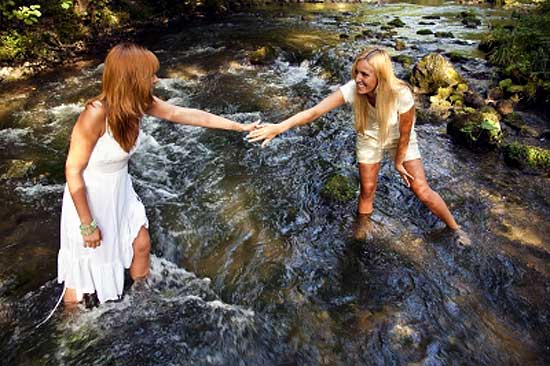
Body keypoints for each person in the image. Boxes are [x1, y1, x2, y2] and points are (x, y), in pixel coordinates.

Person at [58, 43, 258, 305]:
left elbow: (181, 113)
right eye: (150, 74)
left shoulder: (139, 103)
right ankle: (70, 325)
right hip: (90, 196)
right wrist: (87, 224)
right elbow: (73, 170)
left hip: (120, 189)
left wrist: (237, 127)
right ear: (131, 78)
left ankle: (140, 303)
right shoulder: (95, 113)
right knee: (84, 271)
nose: (156, 79)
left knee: (141, 245)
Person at [247, 47, 469, 242]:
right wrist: (279, 127)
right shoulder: (354, 88)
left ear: (380, 76)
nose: (358, 78)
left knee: (420, 189)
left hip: (400, 139)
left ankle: (455, 228)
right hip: (369, 137)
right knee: (367, 189)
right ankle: (361, 234)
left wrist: (398, 162)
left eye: (365, 74)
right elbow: (314, 111)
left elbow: (404, 132)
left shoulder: (401, 93)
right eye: (356, 72)